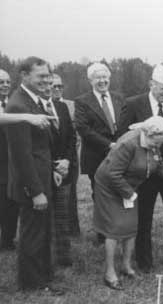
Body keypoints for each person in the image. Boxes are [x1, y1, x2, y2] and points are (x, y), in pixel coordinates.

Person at [93, 116, 163, 290]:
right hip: (110, 188)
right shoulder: (128, 144)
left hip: (129, 187)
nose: (162, 144)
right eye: (161, 140)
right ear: (151, 134)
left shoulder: (154, 145)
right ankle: (109, 273)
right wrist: (129, 194)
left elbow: (159, 167)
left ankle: (126, 267)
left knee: (132, 227)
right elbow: (113, 174)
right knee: (115, 229)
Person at [118, 64, 163, 272]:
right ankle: (144, 261)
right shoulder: (133, 104)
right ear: (152, 84)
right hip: (144, 170)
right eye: (162, 89)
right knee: (144, 216)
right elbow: (123, 135)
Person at [5, 57, 64, 294]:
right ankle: (32, 284)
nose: (46, 80)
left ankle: (43, 277)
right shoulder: (18, 106)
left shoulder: (32, 101)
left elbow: (41, 147)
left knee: (42, 231)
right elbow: (21, 156)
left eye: (48, 76)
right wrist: (36, 191)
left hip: (42, 178)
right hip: (31, 186)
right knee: (32, 235)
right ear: (24, 76)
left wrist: (51, 172)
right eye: (41, 76)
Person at [75, 62, 125, 243]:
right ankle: (103, 235)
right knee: (100, 194)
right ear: (90, 80)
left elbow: (125, 122)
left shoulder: (120, 98)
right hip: (96, 156)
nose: (102, 81)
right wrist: (109, 145)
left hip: (120, 156)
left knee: (120, 192)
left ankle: (120, 229)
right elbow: (83, 129)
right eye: (98, 77)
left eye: (105, 77)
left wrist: (122, 145)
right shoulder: (82, 101)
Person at [42, 76, 77, 267]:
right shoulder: (34, 109)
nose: (50, 88)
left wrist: (67, 160)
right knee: (44, 217)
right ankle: (44, 259)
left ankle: (63, 258)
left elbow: (72, 137)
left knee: (63, 215)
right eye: (47, 84)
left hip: (64, 170)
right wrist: (51, 165)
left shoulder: (62, 108)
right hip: (43, 170)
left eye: (54, 85)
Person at [52, 74, 81, 237]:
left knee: (71, 194)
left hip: (70, 157)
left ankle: (73, 229)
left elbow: (76, 131)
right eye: (54, 86)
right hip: (52, 157)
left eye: (59, 86)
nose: (56, 89)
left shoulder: (71, 105)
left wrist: (70, 156)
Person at [0, 69, 19, 251]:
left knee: (11, 200)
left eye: (7, 82)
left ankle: (7, 239)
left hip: (11, 161)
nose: (5, 85)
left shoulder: (13, 103)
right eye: (1, 82)